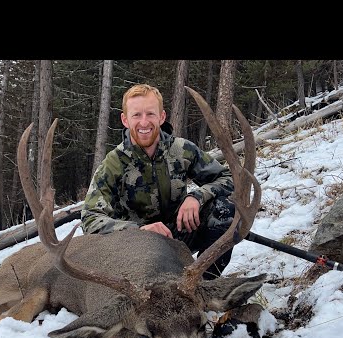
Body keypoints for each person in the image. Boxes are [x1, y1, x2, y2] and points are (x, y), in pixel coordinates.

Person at [81, 83, 236, 280]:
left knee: (226, 210)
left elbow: (227, 178)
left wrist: (197, 197)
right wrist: (138, 230)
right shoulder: (113, 164)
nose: (144, 122)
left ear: (162, 117)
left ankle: (201, 283)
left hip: (178, 235)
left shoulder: (182, 150)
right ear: (125, 119)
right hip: (135, 248)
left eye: (150, 114)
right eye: (136, 115)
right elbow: (90, 218)